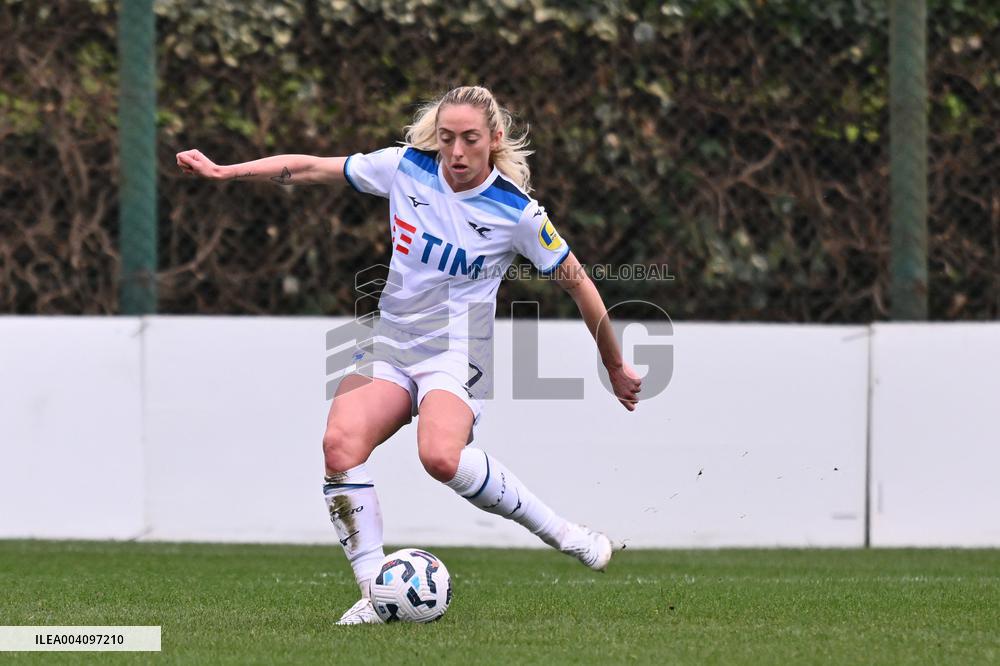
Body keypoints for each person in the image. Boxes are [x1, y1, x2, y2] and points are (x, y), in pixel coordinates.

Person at [176, 85, 642, 625]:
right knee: (339, 447)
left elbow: (580, 284)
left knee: (441, 457)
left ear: (494, 139)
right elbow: (311, 168)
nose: (457, 152)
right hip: (393, 340)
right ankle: (377, 594)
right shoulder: (404, 168)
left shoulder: (517, 213)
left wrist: (614, 364)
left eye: (470, 139)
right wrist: (225, 172)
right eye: (447, 138)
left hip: (459, 352)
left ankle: (565, 534)